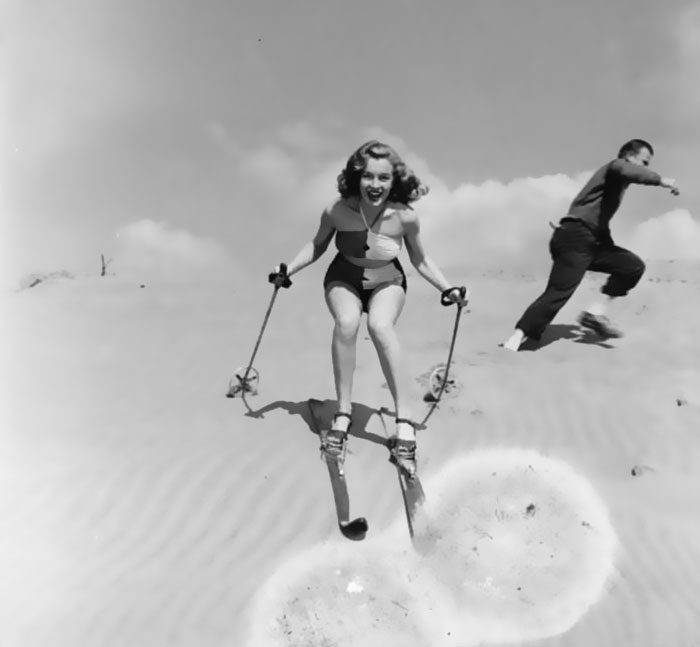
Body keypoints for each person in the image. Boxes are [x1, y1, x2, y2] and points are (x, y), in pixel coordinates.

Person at [269, 140, 467, 476]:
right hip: (344, 276)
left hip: (387, 278)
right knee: (347, 323)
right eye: (368, 176)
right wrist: (288, 269)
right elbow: (317, 245)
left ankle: (404, 420)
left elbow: (419, 259)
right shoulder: (336, 211)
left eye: (384, 178)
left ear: (394, 180)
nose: (375, 185)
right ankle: (343, 414)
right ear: (356, 177)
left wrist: (448, 288)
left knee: (380, 326)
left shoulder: (405, 217)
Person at [502, 139, 679, 351]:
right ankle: (516, 338)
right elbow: (626, 170)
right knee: (559, 292)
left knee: (631, 266)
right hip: (575, 238)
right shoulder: (616, 166)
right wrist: (661, 180)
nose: (645, 166)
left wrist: (608, 246)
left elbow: (599, 223)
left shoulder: (616, 186)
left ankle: (595, 313)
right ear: (629, 156)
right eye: (644, 161)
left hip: (592, 242)